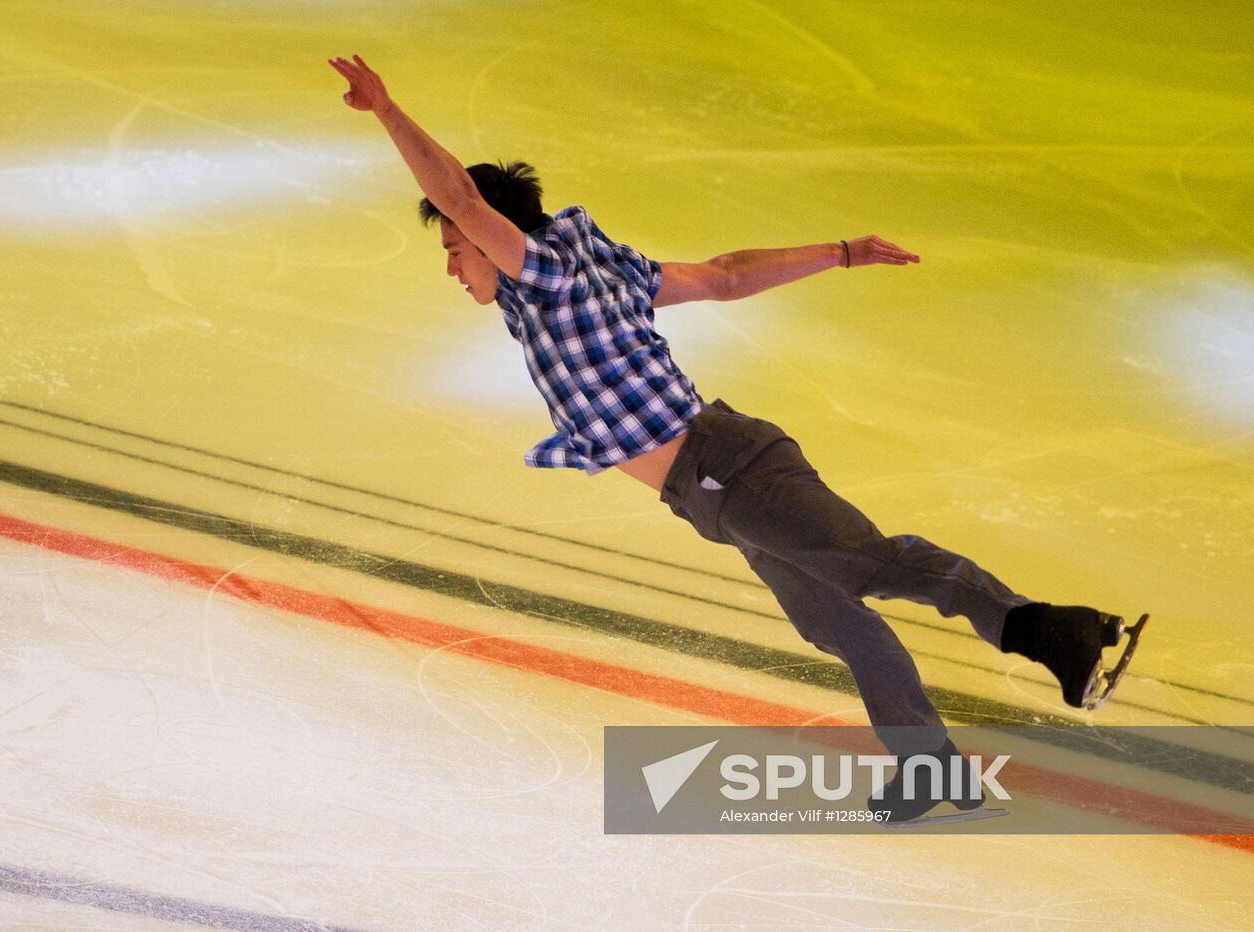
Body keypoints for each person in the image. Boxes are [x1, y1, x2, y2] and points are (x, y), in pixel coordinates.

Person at [327, 55, 1145, 822]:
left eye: (454, 249)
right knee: (837, 621)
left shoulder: (547, 272)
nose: (450, 265)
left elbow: (466, 200)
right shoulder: (591, 265)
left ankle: (1052, 628)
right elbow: (721, 275)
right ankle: (929, 764)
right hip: (714, 483)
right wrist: (843, 252)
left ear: (494, 236)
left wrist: (390, 112)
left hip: (729, 470)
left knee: (873, 564)